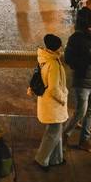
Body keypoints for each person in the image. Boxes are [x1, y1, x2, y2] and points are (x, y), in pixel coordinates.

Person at [63, 10, 91, 153]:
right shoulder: (76, 39)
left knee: (90, 112)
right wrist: (88, 59)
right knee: (81, 112)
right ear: (90, 26)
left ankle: (84, 140)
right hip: (82, 82)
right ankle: (64, 135)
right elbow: (69, 60)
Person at [33, 34, 68, 171]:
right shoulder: (53, 63)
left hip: (47, 102)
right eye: (60, 45)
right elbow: (54, 88)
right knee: (53, 132)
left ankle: (56, 159)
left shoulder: (45, 58)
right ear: (55, 48)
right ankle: (41, 159)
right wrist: (63, 98)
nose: (62, 47)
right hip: (53, 103)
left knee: (56, 131)